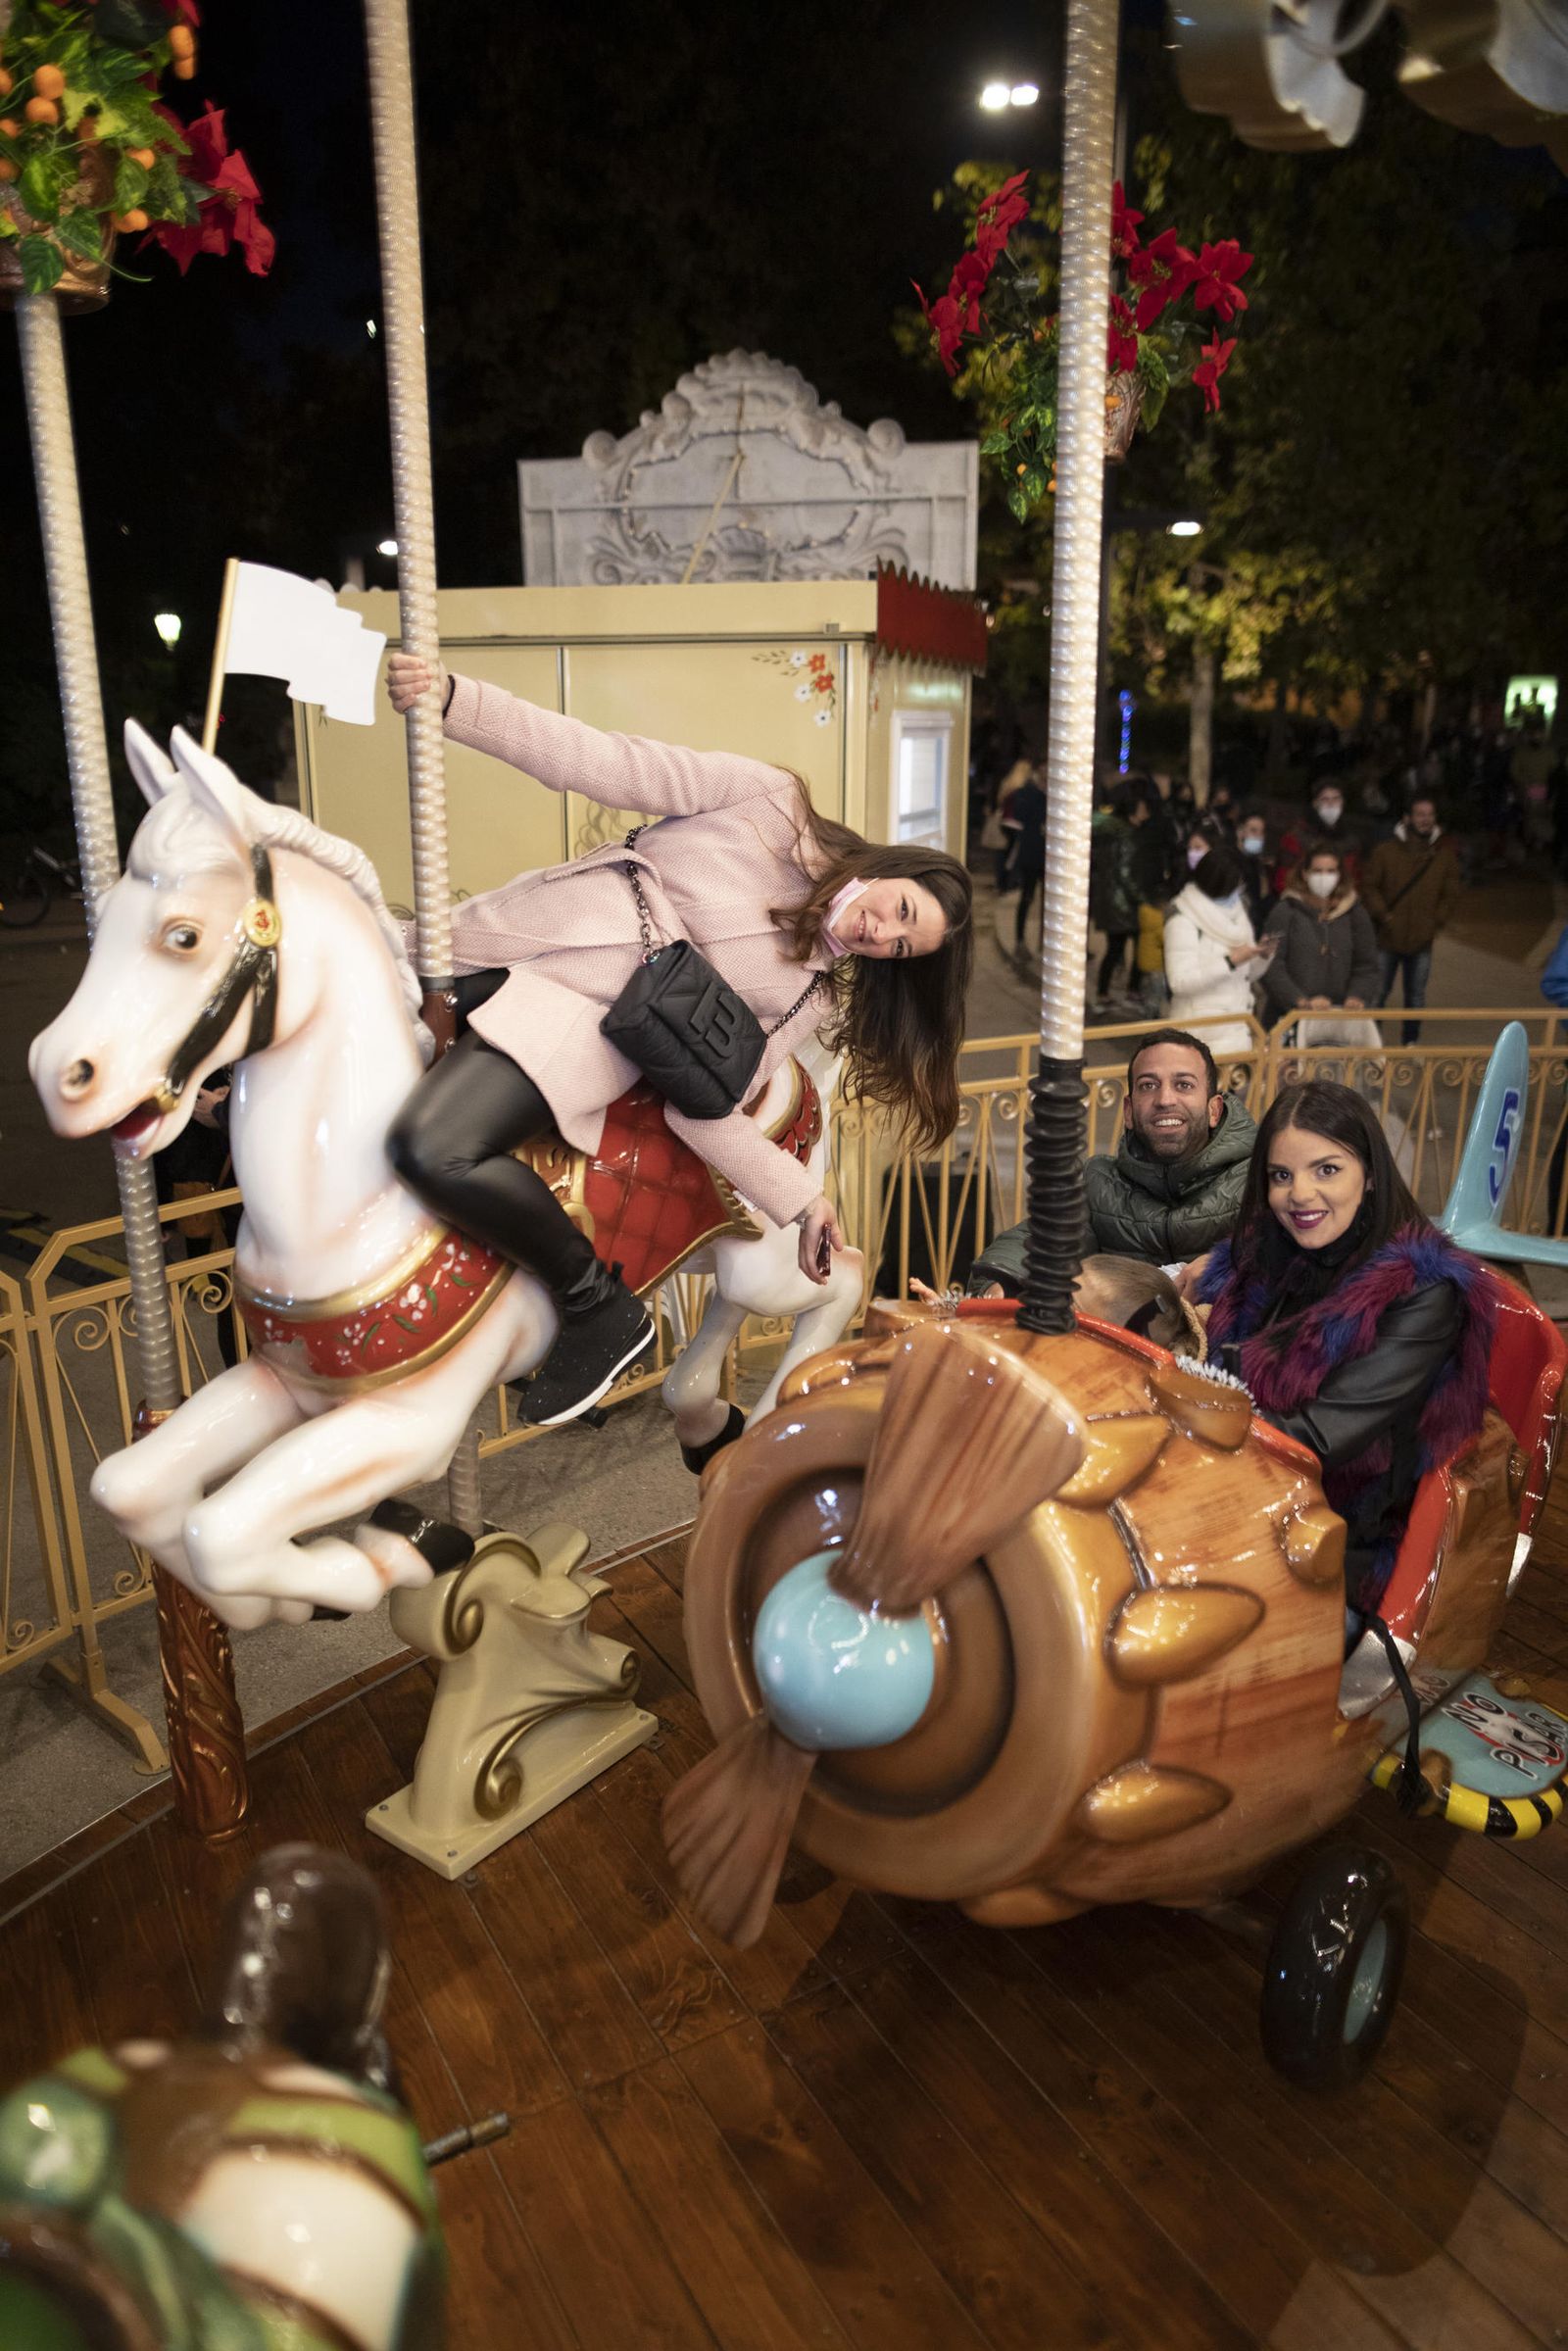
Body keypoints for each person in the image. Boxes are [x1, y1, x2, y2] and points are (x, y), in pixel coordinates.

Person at [383, 653, 973, 1423]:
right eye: (900, 910)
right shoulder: (770, 802)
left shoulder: (810, 993)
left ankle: (594, 1304)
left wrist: (802, 1200)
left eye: (902, 947)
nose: (881, 933)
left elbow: (704, 1105)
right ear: (895, 870)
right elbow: (604, 762)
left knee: (431, 1145)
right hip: (507, 935)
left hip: (569, 1035)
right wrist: (457, 702)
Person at [1194, 1081, 1494, 1619]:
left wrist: (1189, 1416)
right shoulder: (1267, 1256)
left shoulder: (1424, 1291)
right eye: (1281, 1176)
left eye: (1326, 1170)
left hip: (1343, 1540)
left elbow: (1320, 1437)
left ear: (1371, 1174)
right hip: (1246, 1496)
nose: (1300, 1194)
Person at [967, 1028, 1257, 1279]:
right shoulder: (1100, 1183)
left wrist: (1224, 1264)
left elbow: (1288, 1252)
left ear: (1214, 1110)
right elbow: (1035, 1241)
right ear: (1129, 1112)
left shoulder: (1255, 1177)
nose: (1165, 1099)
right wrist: (1001, 1282)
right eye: (1149, 1086)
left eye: (1183, 1085)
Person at [1360, 791, 1461, 1044]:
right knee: (1378, 994)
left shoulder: (1444, 856)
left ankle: (1410, 1042)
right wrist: (1383, 915)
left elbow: (1450, 894)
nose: (1425, 819)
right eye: (1420, 814)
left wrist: (1435, 922)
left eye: (1429, 814)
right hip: (1387, 937)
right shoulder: (1385, 851)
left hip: (1422, 939)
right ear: (1407, 818)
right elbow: (1369, 886)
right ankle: (1372, 1043)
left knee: (1416, 996)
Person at [1259, 843, 1380, 1046]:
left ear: (1340, 874)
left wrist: (1357, 995)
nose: (1324, 877)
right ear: (1305, 874)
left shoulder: (1355, 913)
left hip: (1340, 1023)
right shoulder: (1285, 910)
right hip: (1289, 1020)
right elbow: (1271, 965)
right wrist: (1300, 1001)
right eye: (1317, 871)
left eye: (1331, 871)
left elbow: (1367, 965)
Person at [1163, 845, 1275, 1059]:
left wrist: (1262, 956)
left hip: (1238, 1033)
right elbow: (1179, 982)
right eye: (1236, 883)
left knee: (1231, 1095)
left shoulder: (1238, 913)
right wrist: (1230, 961)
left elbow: (1247, 974)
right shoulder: (1183, 918)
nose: (1239, 889)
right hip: (1198, 1039)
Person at [1089, 783, 1142, 1009]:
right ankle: (1132, 990)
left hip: (1108, 900)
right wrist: (1142, 897)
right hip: (1125, 903)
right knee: (1138, 946)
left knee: (1114, 949)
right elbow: (1126, 872)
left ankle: (1102, 993)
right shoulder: (1127, 835)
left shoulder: (1107, 831)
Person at [1272, 782, 1361, 899]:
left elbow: (1354, 879)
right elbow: (1283, 880)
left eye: (1336, 799)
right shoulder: (1297, 837)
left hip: (1338, 906)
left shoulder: (1350, 842)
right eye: (1325, 799)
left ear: (1343, 802)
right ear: (1315, 803)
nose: (1331, 803)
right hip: (1300, 904)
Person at [1005, 763, 1048, 959]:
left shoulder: (1055, 794)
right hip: (1032, 854)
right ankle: (1020, 941)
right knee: (1027, 897)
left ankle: (1048, 941)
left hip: (1049, 856)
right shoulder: (1027, 794)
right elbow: (1019, 817)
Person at [1235, 808, 1273, 935]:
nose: (1258, 836)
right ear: (1241, 832)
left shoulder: (1258, 864)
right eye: (1253, 830)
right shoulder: (1230, 862)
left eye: (1261, 832)